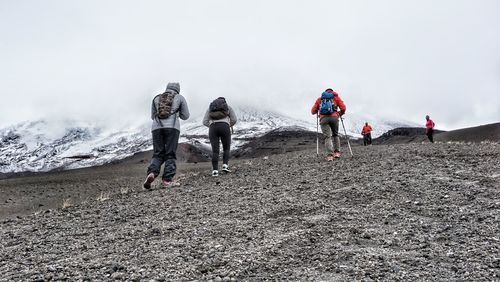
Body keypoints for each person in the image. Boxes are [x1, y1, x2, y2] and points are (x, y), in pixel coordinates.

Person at [143, 82, 190, 189]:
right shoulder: (179, 98)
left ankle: (152, 173)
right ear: (178, 89)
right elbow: (186, 116)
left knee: (158, 153)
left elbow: (152, 116)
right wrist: (176, 112)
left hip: (156, 128)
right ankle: (167, 180)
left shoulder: (156, 98)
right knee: (170, 154)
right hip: (172, 128)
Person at [203, 97, 237, 177]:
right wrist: (228, 125)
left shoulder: (210, 108)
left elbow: (204, 121)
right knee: (226, 148)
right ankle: (225, 166)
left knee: (215, 151)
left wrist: (211, 126)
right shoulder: (228, 107)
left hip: (213, 128)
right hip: (225, 127)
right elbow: (234, 119)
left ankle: (215, 171)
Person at [311, 88, 347, 161]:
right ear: (332, 92)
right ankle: (337, 153)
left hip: (323, 119)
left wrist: (318, 112)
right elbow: (343, 108)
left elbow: (313, 111)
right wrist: (339, 114)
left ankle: (330, 156)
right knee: (335, 135)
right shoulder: (336, 97)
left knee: (328, 137)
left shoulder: (320, 99)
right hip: (334, 118)